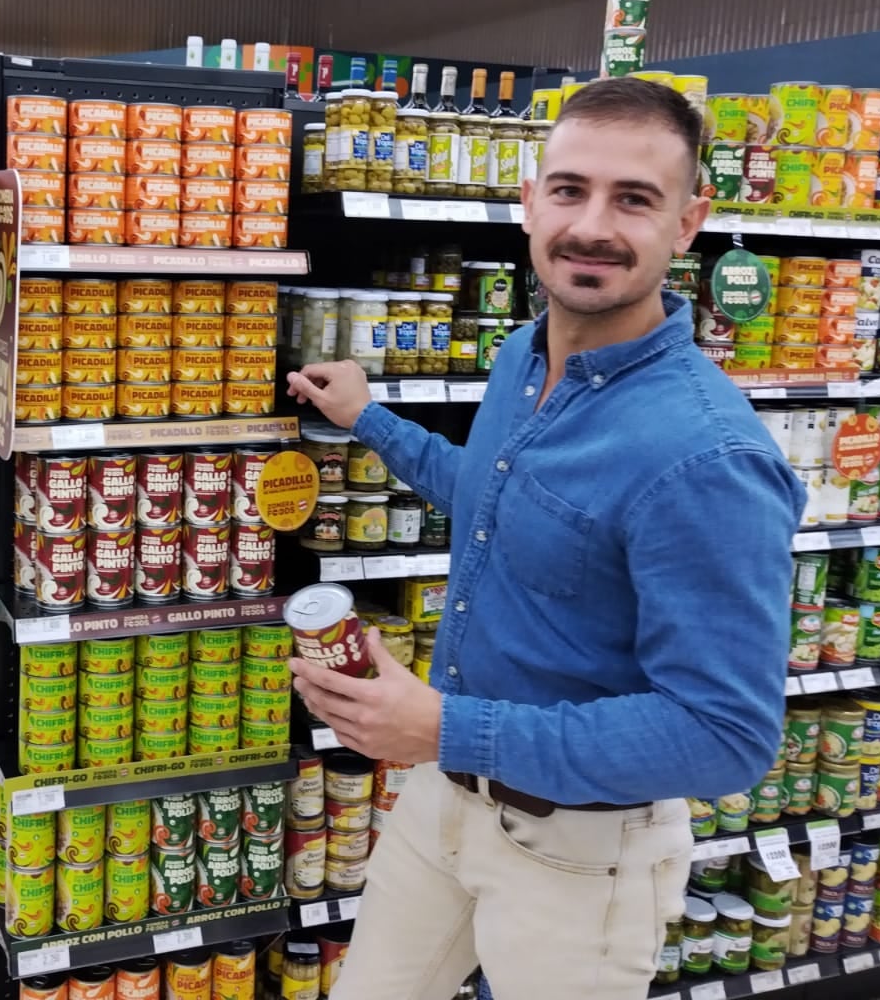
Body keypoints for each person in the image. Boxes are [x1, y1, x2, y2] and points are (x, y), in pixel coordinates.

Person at [286, 77, 805, 1000]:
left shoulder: (706, 456)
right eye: (569, 189)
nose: (592, 225)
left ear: (690, 222)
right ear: (529, 203)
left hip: (582, 859)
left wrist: (444, 725)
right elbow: (491, 493)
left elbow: (726, 733)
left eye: (634, 198)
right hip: (445, 802)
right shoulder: (523, 356)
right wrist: (371, 418)